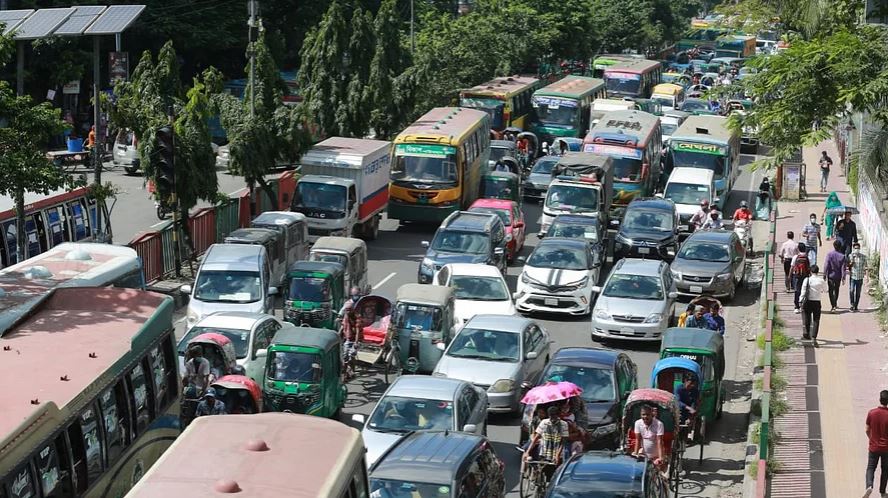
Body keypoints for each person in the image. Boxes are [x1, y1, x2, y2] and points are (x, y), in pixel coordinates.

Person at [864, 390, 888, 498]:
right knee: (885, 469)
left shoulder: (871, 413)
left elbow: (867, 429)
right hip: (886, 448)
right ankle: (883, 492)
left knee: (870, 468)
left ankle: (869, 486)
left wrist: (871, 438)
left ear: (880, 399)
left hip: (873, 447)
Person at [799, 264, 825, 345]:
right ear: (817, 271)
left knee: (807, 318)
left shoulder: (807, 280)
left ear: (810, 271)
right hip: (817, 302)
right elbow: (826, 289)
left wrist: (800, 301)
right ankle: (814, 337)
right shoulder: (821, 280)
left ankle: (807, 334)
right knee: (816, 320)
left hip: (808, 301)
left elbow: (803, 291)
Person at [823, 240, 846, 313]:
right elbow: (843, 268)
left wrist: (824, 274)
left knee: (830, 290)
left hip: (830, 275)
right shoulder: (842, 256)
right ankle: (835, 302)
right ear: (840, 247)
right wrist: (843, 277)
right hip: (838, 276)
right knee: (836, 289)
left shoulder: (829, 254)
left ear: (834, 246)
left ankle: (833, 305)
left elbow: (826, 265)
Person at [790, 243, 811, 314]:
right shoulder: (807, 257)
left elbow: (792, 267)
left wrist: (790, 275)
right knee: (805, 290)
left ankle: (796, 307)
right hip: (805, 276)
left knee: (797, 291)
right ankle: (804, 306)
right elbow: (809, 267)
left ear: (798, 249)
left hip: (797, 276)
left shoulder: (795, 257)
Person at [848, 242, 867, 312]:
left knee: (858, 293)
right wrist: (852, 261)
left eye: (858, 248)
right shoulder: (850, 256)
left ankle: (856, 305)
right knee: (851, 290)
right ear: (853, 249)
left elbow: (866, 267)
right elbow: (849, 266)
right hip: (853, 276)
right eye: (855, 248)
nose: (857, 250)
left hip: (860, 277)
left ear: (860, 248)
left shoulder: (863, 257)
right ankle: (852, 304)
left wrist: (867, 277)